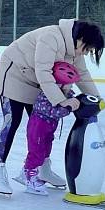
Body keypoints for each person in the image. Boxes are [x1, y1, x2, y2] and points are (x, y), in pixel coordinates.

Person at [0, 19, 105, 197]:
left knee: (43, 129)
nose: (86, 53)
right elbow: (43, 71)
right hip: (14, 75)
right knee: (12, 123)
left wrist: (96, 98)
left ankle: (43, 168)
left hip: (36, 83)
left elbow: (81, 74)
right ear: (81, 39)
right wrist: (61, 100)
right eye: (88, 49)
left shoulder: (74, 50)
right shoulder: (51, 37)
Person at [21, 62, 80, 196]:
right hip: (38, 128)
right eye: (70, 83)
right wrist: (68, 108)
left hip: (49, 129)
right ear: (61, 83)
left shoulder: (65, 92)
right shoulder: (46, 95)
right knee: (36, 152)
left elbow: (71, 98)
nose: (72, 86)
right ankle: (29, 176)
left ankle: (42, 173)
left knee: (46, 151)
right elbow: (53, 111)